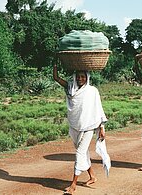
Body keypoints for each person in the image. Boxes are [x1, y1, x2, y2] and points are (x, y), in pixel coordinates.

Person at [53, 64, 108, 194]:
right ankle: (92, 176)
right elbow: (56, 78)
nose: (80, 79)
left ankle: (73, 185)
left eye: (83, 77)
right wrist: (55, 64)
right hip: (75, 125)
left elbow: (98, 108)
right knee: (82, 152)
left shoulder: (92, 91)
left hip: (89, 125)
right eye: (78, 77)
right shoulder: (70, 88)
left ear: (87, 77)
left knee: (79, 153)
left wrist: (101, 127)